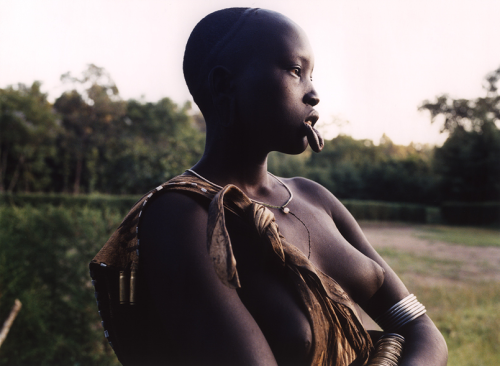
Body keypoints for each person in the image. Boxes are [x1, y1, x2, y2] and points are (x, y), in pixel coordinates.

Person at [91, 7, 448, 366]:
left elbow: (420, 327)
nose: (314, 94)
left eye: (312, 75)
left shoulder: (314, 196)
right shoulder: (182, 215)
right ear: (223, 85)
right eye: (295, 71)